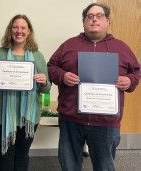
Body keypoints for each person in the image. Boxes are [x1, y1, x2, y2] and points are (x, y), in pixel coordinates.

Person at [47, 3, 140, 171]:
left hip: (106, 122)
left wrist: (129, 81)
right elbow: (51, 67)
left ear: (107, 21)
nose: (94, 19)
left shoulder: (121, 48)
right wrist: (62, 76)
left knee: (104, 167)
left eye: (99, 16)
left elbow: (136, 72)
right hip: (71, 120)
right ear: (84, 22)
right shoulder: (68, 45)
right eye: (89, 16)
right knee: (69, 165)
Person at [0, 14, 51, 171]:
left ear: (29, 31)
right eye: (15, 27)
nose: (19, 31)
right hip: (3, 114)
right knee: (6, 153)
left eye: (23, 27)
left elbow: (47, 88)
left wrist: (44, 81)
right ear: (10, 30)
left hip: (29, 117)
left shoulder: (37, 55)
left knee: (22, 154)